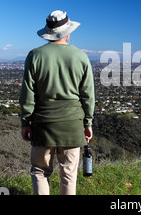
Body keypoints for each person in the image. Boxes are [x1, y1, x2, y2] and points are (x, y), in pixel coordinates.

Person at [19, 10, 95, 195]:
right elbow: (88, 95)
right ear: (68, 32)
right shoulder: (80, 56)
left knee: (39, 171)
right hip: (72, 122)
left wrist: (25, 122)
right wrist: (88, 123)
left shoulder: (35, 56)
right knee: (68, 174)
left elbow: (27, 93)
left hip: (43, 122)